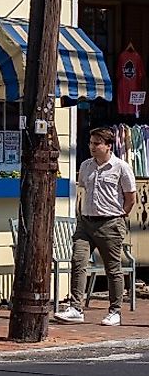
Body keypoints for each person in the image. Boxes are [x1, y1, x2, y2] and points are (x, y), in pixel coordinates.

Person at [55, 126, 137, 326]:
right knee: (78, 261)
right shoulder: (85, 166)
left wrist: (119, 216)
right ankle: (76, 307)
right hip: (86, 222)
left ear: (108, 146)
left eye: (96, 143)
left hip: (110, 222)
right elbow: (82, 189)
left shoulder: (121, 167)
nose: (92, 147)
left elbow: (131, 198)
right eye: (90, 143)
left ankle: (115, 311)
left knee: (112, 268)